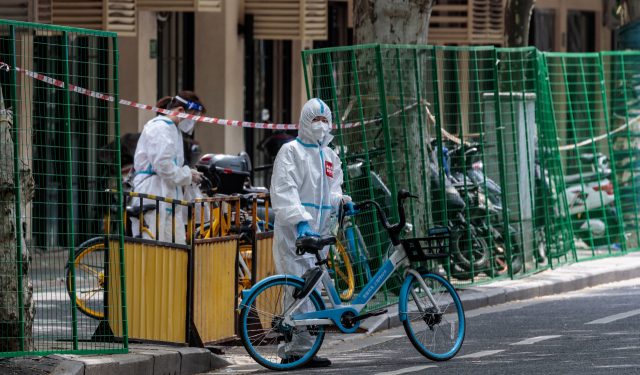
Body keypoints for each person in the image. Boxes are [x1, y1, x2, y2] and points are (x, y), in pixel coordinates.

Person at [271, 98, 359, 367]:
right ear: (304, 121)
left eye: (324, 120)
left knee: (314, 291)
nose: (320, 125)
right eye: (315, 120)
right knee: (297, 289)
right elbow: (286, 190)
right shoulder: (291, 151)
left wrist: (342, 201)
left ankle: (304, 351)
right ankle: (294, 352)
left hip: (321, 233)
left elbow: (332, 191)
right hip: (295, 233)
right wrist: (300, 223)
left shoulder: (329, 156)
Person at [130, 91, 206, 244]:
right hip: (152, 191)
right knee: (152, 250)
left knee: (176, 247)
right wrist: (188, 174)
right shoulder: (160, 128)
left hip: (167, 194)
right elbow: (164, 167)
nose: (193, 122)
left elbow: (169, 166)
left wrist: (188, 173)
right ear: (180, 111)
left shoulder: (173, 129)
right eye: (193, 116)